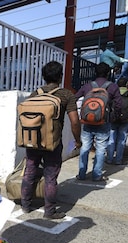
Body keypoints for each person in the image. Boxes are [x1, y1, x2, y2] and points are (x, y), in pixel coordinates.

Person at [21, 61, 82, 219]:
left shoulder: (35, 94)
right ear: (60, 76)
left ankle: (26, 205)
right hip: (53, 142)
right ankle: (49, 211)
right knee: (50, 177)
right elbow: (75, 121)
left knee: (29, 172)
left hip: (33, 141)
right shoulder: (66, 94)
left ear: (43, 76)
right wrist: (78, 140)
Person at [75, 63, 122, 182]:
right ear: (108, 73)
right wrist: (113, 117)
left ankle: (81, 174)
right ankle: (97, 175)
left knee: (85, 147)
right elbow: (118, 105)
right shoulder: (113, 87)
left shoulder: (87, 86)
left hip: (87, 121)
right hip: (103, 122)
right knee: (101, 149)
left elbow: (75, 97)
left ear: (95, 73)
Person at [106, 77, 128, 165]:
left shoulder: (113, 93)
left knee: (111, 139)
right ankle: (118, 160)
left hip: (113, 119)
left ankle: (109, 159)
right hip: (125, 119)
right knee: (121, 140)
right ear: (127, 84)